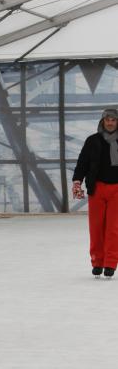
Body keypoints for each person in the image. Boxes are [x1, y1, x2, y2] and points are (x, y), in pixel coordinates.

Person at [72, 107, 118, 278]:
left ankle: (110, 263)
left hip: (117, 189)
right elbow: (82, 162)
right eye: (108, 120)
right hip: (97, 188)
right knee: (96, 228)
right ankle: (97, 262)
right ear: (103, 121)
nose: (110, 123)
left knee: (113, 228)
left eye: (113, 120)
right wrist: (77, 181)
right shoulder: (93, 141)